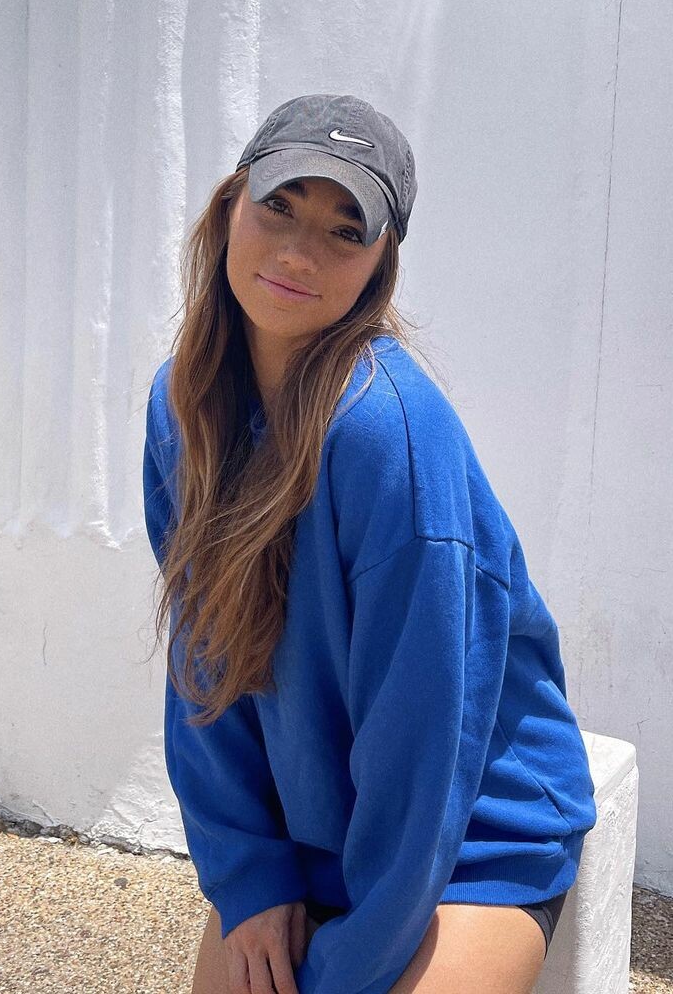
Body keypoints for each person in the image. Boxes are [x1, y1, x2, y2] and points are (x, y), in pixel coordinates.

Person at [142, 93, 597, 994]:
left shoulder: (388, 435)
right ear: (230, 206)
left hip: (466, 837)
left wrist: (347, 968)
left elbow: (427, 739)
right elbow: (203, 662)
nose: (298, 251)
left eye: (345, 231)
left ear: (380, 265)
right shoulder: (183, 404)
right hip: (312, 827)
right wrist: (249, 874)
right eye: (279, 205)